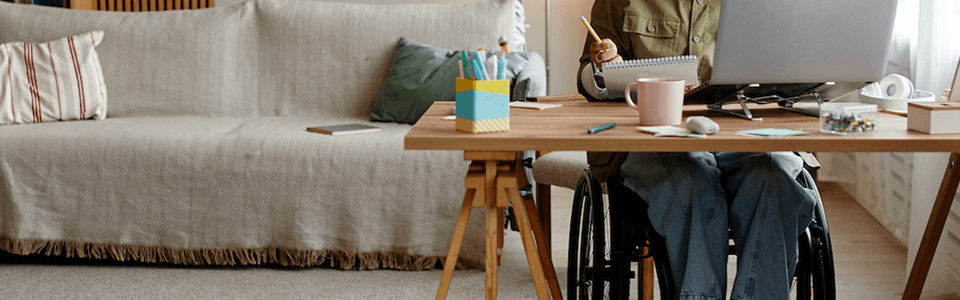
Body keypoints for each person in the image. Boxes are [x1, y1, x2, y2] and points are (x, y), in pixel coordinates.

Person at [576, 1, 820, 299]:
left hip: (746, 133)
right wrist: (603, 69)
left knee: (773, 176)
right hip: (654, 140)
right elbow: (589, 83)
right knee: (691, 182)